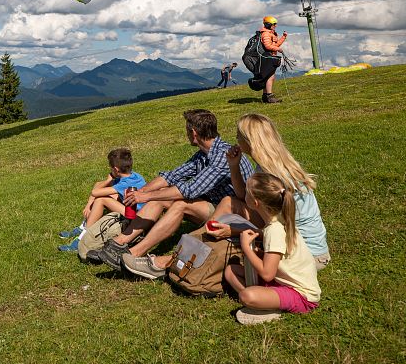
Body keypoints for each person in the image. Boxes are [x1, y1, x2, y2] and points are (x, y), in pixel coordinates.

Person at [93, 109, 254, 276]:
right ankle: (119, 244)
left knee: (181, 203)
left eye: (186, 130)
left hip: (236, 213)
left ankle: (133, 254)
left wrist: (146, 196)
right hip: (218, 204)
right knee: (162, 194)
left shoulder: (221, 155)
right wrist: (141, 192)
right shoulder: (203, 154)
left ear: (193, 133)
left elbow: (191, 190)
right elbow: (172, 176)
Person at [205, 113, 330, 269]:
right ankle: (200, 243)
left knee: (236, 266)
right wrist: (233, 166)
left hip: (305, 255)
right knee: (228, 202)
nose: (236, 139)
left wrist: (233, 231)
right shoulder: (271, 165)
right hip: (305, 246)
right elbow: (244, 196)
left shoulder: (274, 176)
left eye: (239, 136)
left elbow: (277, 230)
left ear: (250, 141)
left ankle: (198, 248)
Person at [224, 172, 320, 325]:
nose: (244, 193)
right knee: (231, 271)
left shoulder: (273, 230)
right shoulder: (279, 219)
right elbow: (280, 257)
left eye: (247, 192)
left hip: (301, 295)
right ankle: (265, 302)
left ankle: (267, 308)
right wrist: (260, 253)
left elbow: (267, 274)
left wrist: (246, 248)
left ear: (255, 203)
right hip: (282, 281)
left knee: (246, 296)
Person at [57, 148, 146, 252]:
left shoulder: (124, 183)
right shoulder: (134, 175)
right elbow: (97, 185)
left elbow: (95, 192)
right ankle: (83, 227)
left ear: (116, 170)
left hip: (135, 215)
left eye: (111, 168)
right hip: (135, 210)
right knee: (107, 196)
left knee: (101, 200)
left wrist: (108, 180)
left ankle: (82, 238)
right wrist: (88, 206)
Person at [249, 16, 286, 104]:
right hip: (266, 57)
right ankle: (269, 96)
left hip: (270, 57)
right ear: (269, 24)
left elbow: (275, 45)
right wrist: (278, 49)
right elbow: (268, 46)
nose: (275, 26)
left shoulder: (271, 33)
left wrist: (283, 37)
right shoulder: (266, 34)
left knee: (268, 77)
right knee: (270, 77)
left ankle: (265, 97)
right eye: (274, 24)